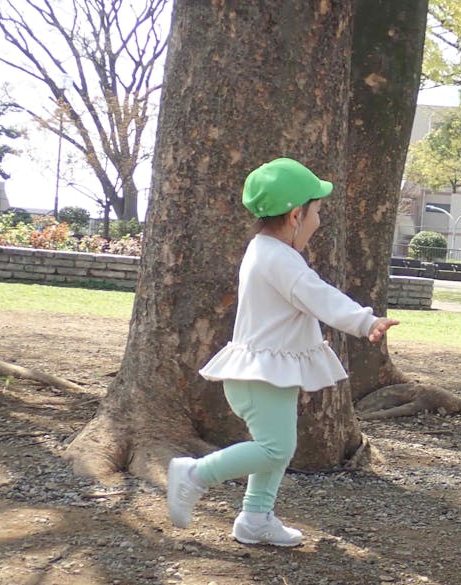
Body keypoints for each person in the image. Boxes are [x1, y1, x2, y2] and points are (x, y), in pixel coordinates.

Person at [166, 157, 399, 547]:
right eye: (316, 212)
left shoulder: (265, 250)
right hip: (260, 374)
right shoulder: (278, 258)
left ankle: (255, 518)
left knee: (276, 448)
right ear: (295, 215)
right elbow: (317, 295)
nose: (318, 222)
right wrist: (364, 321)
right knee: (277, 448)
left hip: (268, 371)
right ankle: (194, 474)